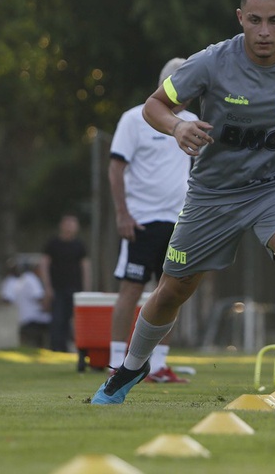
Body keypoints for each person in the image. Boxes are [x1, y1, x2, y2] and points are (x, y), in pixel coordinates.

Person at [91, 0, 275, 406]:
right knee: (173, 290)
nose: (263, 32)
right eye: (254, 20)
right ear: (240, 17)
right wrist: (178, 124)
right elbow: (153, 106)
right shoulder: (212, 62)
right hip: (212, 194)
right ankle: (132, 366)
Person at [106, 57, 196, 384]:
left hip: (179, 223)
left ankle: (157, 366)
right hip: (141, 222)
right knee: (130, 289)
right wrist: (122, 213)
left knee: (172, 291)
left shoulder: (193, 121)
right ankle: (117, 361)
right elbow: (116, 168)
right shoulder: (134, 119)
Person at [39, 213, 90, 352]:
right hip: (57, 288)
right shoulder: (53, 244)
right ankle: (56, 348)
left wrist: (85, 288)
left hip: (74, 288)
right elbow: (44, 264)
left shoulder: (79, 245)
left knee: (72, 320)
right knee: (57, 318)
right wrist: (47, 287)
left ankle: (71, 347)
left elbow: (85, 266)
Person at [0, 257, 50, 348]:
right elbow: (41, 299)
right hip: (31, 318)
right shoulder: (30, 279)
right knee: (58, 320)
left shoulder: (21, 280)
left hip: (21, 318)